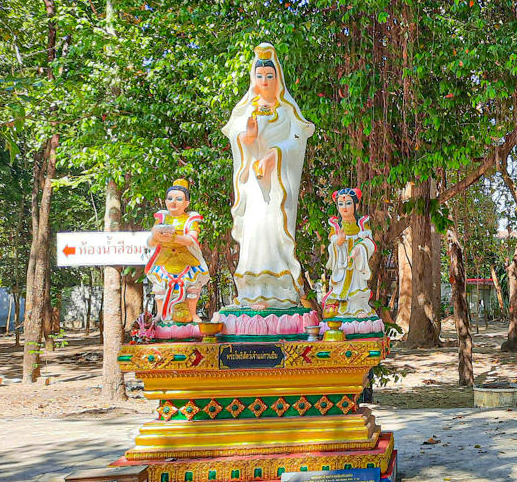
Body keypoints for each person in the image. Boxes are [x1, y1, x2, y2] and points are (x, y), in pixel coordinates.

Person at [221, 43, 315, 308]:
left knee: (275, 228)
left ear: (278, 79)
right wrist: (248, 137)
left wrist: (276, 154)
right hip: (254, 183)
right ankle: (251, 289)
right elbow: (237, 139)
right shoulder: (246, 111)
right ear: (253, 78)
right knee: (255, 230)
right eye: (259, 75)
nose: (264, 81)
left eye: (269, 75)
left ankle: (280, 288)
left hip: (278, 185)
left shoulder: (287, 111)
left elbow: (298, 140)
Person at [145, 179, 210, 323]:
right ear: (165, 201)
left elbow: (192, 240)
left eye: (179, 199)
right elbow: (150, 243)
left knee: (192, 288)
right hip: (164, 260)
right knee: (160, 288)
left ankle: (192, 313)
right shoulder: (161, 218)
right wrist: (156, 237)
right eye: (170, 199)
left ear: (186, 203)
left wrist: (174, 237)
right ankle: (160, 314)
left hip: (186, 260)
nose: (173, 202)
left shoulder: (190, 219)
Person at [323, 187, 377, 318]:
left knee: (357, 287)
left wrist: (360, 249)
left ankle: (358, 309)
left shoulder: (362, 224)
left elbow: (369, 242)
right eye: (341, 204)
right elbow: (333, 242)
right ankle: (339, 309)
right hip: (342, 264)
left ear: (356, 205)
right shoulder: (335, 225)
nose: (344, 207)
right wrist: (339, 241)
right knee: (339, 288)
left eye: (348, 203)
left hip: (357, 265)